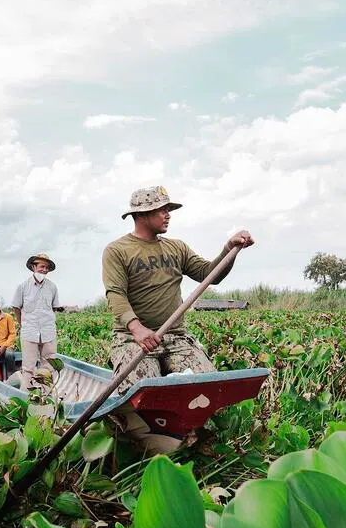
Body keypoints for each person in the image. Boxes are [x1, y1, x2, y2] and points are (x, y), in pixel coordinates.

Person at [101, 185, 254, 454]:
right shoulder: (117, 250)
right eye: (162, 210)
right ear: (142, 214)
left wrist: (230, 250)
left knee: (208, 384)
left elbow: (211, 274)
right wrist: (136, 329)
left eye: (168, 209)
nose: (168, 215)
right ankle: (138, 439)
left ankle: (192, 437)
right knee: (142, 395)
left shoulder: (177, 247)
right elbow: (115, 294)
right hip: (133, 338)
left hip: (176, 337)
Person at [11, 253, 61, 391]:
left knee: (49, 366)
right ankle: (27, 397)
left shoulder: (52, 287)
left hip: (48, 331)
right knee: (28, 368)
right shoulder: (22, 287)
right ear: (34, 267)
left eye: (47, 268)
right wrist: (22, 324)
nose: (44, 270)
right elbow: (16, 307)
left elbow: (54, 308)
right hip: (29, 330)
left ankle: (47, 395)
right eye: (42, 266)